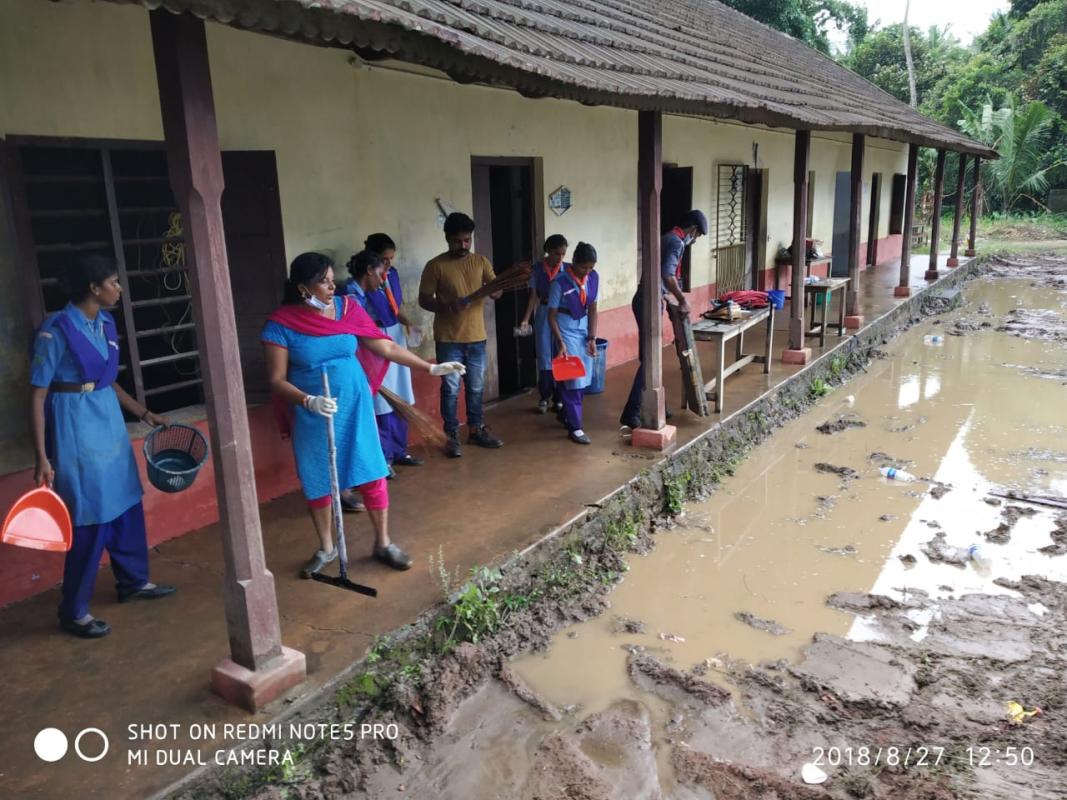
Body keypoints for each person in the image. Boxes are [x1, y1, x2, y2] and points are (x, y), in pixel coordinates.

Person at [262, 252, 465, 575]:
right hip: (314, 413)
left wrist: (431, 367)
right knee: (318, 479)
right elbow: (276, 379)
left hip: (355, 407)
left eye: (332, 279)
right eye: (324, 282)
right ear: (303, 288)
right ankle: (327, 548)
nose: (332, 286)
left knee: (371, 471)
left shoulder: (348, 308)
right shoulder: (281, 325)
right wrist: (307, 401)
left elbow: (383, 346)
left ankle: (383, 542)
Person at [29, 254, 175, 639]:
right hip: (74, 425)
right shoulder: (55, 329)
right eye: (114, 282)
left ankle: (133, 582)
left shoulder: (105, 323)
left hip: (107, 420)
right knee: (90, 516)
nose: (119, 288)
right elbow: (38, 393)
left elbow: (106, 380)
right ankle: (74, 610)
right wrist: (42, 457)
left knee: (126, 503)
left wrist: (144, 414)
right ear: (94, 288)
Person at [418, 212, 503, 458]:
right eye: (458, 241)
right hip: (448, 339)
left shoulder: (481, 262)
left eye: (467, 240)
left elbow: (496, 288)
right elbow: (424, 300)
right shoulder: (436, 266)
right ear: (447, 239)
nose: (463, 245)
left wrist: (497, 292)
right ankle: (451, 434)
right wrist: (446, 306)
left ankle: (476, 429)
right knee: (451, 389)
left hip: (477, 337)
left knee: (476, 388)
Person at [620, 210, 708, 429]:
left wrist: (668, 297)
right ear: (694, 230)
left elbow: (661, 275)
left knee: (649, 355)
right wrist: (682, 300)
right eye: (697, 236)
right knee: (650, 358)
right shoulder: (676, 242)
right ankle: (631, 413)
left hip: (646, 299)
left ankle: (660, 404)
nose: (695, 240)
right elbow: (668, 275)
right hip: (648, 302)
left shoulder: (667, 237)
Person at [360, 234, 423, 469]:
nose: (388, 265)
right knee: (382, 399)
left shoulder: (392, 275)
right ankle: (383, 456)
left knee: (401, 394)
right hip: (375, 338)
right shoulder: (361, 284)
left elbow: (395, 307)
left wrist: (408, 323)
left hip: (395, 334)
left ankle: (400, 450)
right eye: (384, 260)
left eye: (391, 259)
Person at [548, 242, 599, 444]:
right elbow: (551, 316)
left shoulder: (594, 278)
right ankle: (576, 428)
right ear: (574, 263)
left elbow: (593, 308)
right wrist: (560, 342)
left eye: (590, 268)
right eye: (583, 267)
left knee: (581, 377)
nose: (586, 271)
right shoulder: (559, 282)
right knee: (574, 379)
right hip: (565, 329)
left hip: (583, 327)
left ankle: (564, 411)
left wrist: (592, 337)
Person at [519, 234, 569, 414]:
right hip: (543, 312)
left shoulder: (568, 269)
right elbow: (533, 296)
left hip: (562, 315)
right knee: (544, 355)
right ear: (547, 251)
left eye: (563, 254)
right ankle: (545, 396)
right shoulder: (537, 270)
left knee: (561, 353)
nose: (560, 258)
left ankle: (560, 397)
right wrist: (525, 319)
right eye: (556, 254)